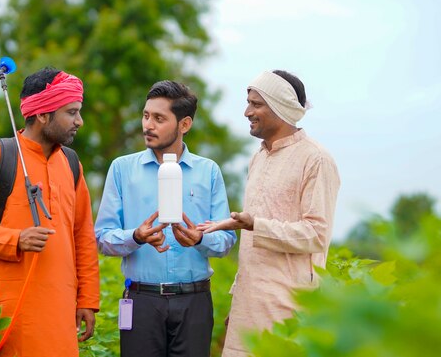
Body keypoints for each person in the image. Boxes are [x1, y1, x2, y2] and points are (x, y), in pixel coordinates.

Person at [0, 67, 100, 357]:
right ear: (43, 115)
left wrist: (88, 300)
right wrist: (16, 239)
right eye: (71, 112)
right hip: (8, 312)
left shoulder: (71, 164)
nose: (79, 121)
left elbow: (83, 235)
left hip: (60, 311)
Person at [198, 70, 341, 357]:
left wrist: (255, 224)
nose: (247, 111)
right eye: (248, 102)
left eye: (256, 104)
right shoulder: (258, 157)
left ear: (281, 106)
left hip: (290, 310)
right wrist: (237, 306)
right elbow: (251, 242)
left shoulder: (316, 159)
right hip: (248, 309)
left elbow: (316, 234)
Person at [94, 80, 237, 357]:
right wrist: (135, 236)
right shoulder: (122, 169)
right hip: (140, 300)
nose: (148, 125)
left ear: (184, 125)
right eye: (146, 115)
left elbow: (226, 240)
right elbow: (102, 238)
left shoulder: (208, 172)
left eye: (159, 118)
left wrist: (200, 239)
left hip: (194, 301)